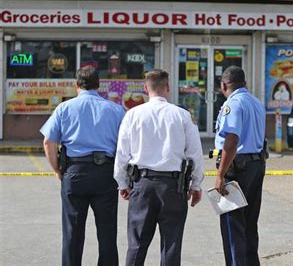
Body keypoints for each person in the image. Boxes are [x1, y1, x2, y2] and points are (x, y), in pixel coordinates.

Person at [114, 69, 204, 266]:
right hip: (174, 187)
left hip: (142, 185)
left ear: (146, 89)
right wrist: (196, 185)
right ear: (168, 88)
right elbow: (195, 154)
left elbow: (122, 153)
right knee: (171, 245)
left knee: (137, 245)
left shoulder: (133, 115)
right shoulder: (182, 116)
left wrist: (122, 183)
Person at [40, 66, 125, 266]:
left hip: (74, 172)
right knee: (107, 232)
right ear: (99, 85)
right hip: (106, 174)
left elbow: (48, 142)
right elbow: (125, 145)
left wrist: (57, 170)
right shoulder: (116, 109)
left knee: (72, 232)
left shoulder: (64, 108)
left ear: (77, 85)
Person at [214, 66, 266, 266]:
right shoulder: (256, 102)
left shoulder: (233, 104)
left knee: (232, 226)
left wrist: (221, 174)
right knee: (249, 225)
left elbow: (232, 140)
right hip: (256, 166)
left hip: (237, 170)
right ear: (244, 83)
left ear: (224, 85)